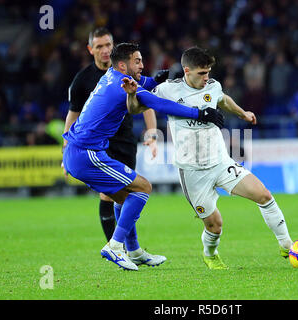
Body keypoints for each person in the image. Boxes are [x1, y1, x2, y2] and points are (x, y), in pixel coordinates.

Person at [123, 46, 293, 270]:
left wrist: (242, 113)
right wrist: (132, 94)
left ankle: (287, 245)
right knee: (215, 226)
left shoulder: (212, 86)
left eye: (208, 72)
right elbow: (135, 109)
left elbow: (222, 99)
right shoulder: (167, 90)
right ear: (186, 70)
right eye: (201, 73)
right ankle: (210, 254)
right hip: (192, 172)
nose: (207, 77)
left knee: (264, 195)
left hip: (220, 162)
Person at [63, 42, 224, 271]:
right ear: (122, 64)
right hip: (86, 154)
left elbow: (143, 82)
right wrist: (200, 113)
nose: (142, 65)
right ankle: (115, 246)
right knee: (143, 187)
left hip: (80, 153)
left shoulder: (111, 76)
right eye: (137, 61)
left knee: (123, 197)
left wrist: (156, 79)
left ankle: (135, 251)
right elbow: (158, 103)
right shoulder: (120, 87)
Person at [62, 28, 169, 246]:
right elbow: (72, 117)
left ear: (114, 47)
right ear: (90, 49)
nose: (104, 50)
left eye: (108, 45)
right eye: (99, 46)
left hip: (125, 142)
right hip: (96, 146)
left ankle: (130, 249)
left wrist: (151, 132)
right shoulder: (82, 80)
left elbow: (146, 102)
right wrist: (66, 151)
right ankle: (115, 245)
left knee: (129, 194)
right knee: (111, 194)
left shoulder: (127, 73)